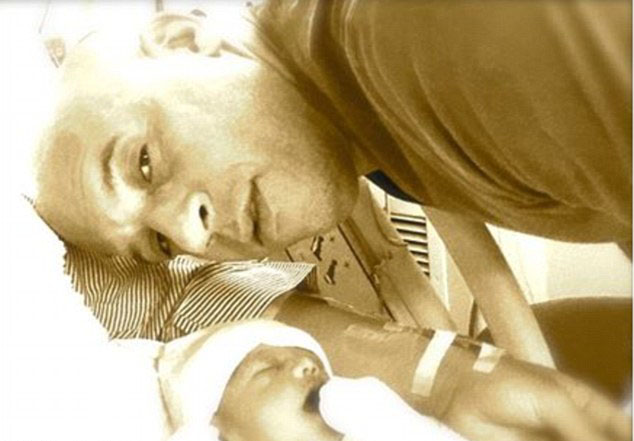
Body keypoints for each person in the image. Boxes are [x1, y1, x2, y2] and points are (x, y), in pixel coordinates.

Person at [33, 0, 631, 264]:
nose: (192, 237)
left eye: (142, 165)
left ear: (185, 41)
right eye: (159, 245)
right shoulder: (367, 132)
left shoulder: (423, 42)